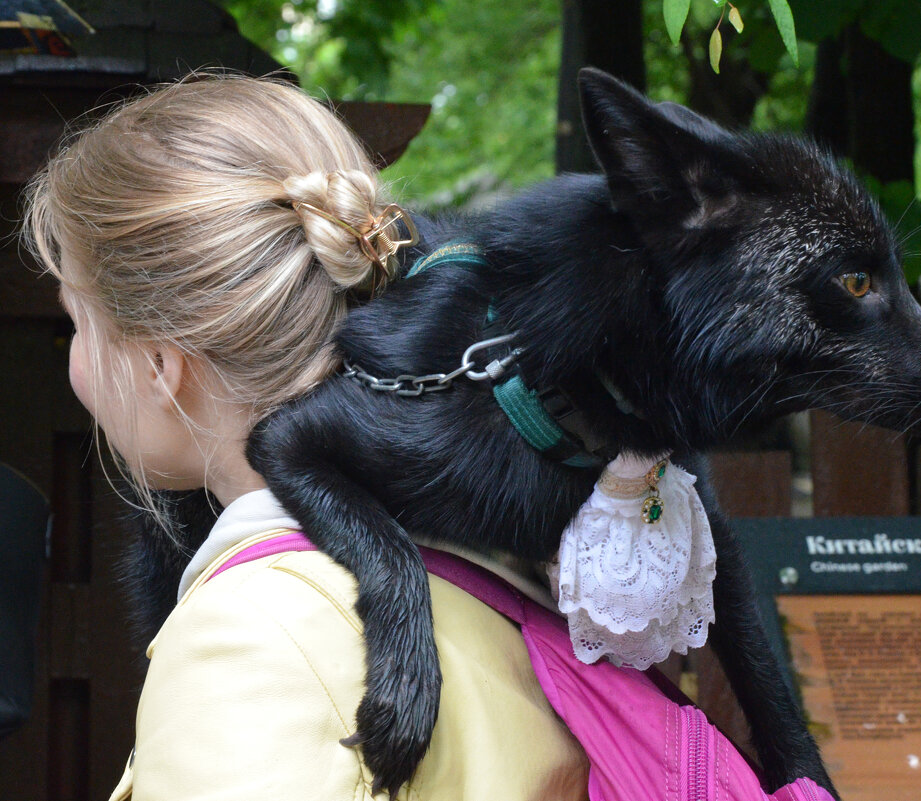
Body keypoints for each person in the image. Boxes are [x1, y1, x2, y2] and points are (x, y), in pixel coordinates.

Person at [25, 75, 588, 801]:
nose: (74, 360)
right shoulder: (506, 571)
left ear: (162, 366)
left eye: (80, 323)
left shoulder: (254, 638)